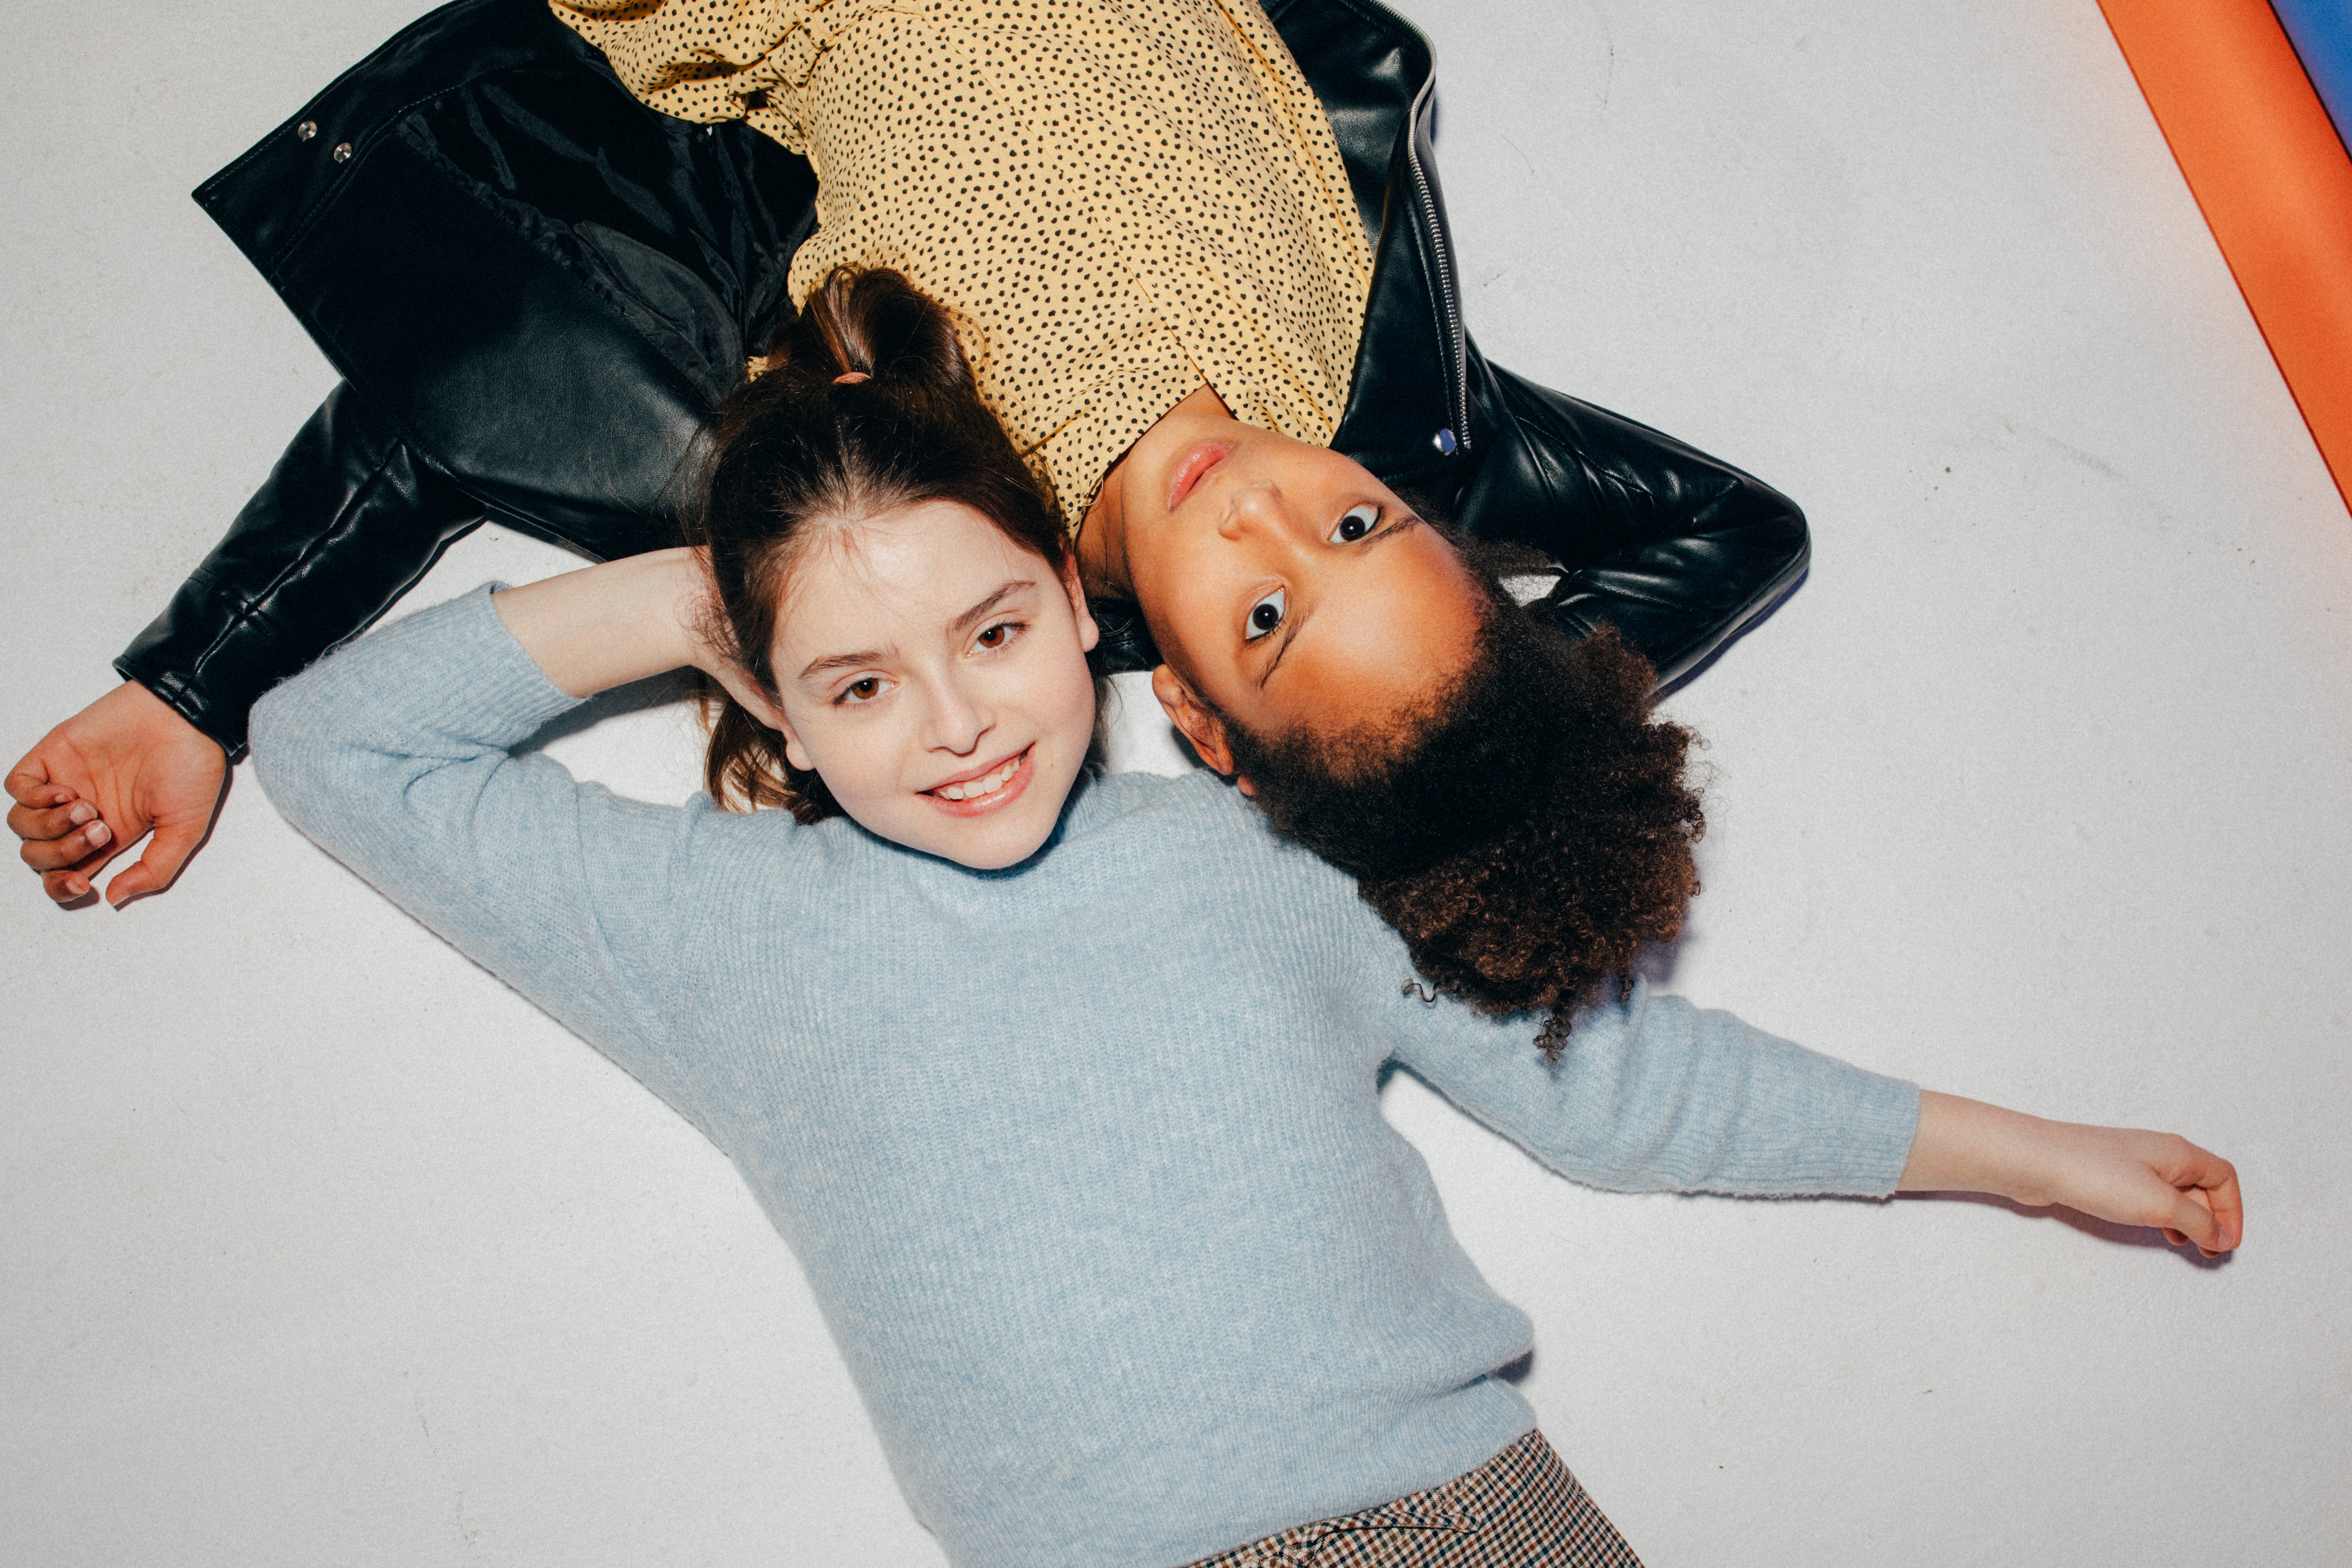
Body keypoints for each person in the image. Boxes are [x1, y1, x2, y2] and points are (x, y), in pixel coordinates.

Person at [251, 269, 2233, 1568]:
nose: (954, 722)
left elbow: (1623, 1090)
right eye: (858, 682)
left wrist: (2046, 1162)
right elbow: (337, 744)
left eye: (997, 629)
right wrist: (745, 584)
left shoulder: (1258, 850)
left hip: (1460, 1522)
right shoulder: (714, 926)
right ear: (770, 700)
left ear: (1075, 596)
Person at [11, 0, 1810, 908]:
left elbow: (474, 407)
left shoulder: (940, 519)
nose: (1273, 510)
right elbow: (1737, 526)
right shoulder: (1399, 396)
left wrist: (192, 683)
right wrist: (1490, 747)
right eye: (1359, 524)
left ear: (1190, 715)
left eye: (1263, 618)